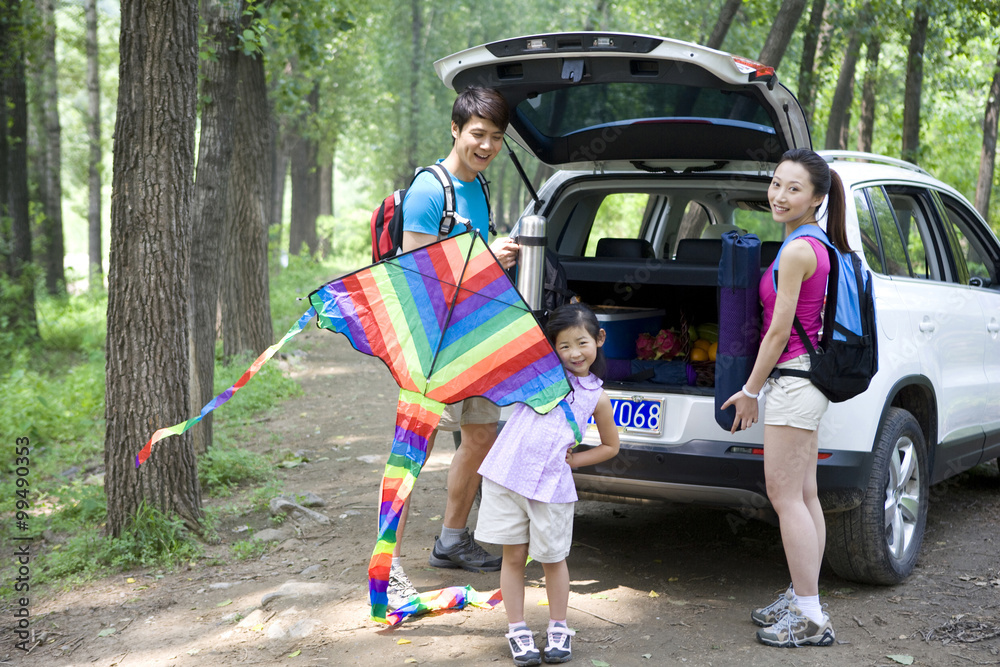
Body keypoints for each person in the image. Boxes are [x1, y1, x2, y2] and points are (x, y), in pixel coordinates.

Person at [386, 86, 520, 608]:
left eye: (496, 138)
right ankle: (389, 567)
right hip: (432, 343)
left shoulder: (480, 187)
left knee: (482, 435)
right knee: (411, 454)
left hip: (475, 335)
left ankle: (451, 540)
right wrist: (489, 258)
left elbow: (470, 261)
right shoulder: (429, 190)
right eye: (477, 135)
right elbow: (416, 277)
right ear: (456, 130)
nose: (486, 145)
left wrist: (492, 261)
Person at [721, 148, 847, 648]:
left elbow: (777, 334)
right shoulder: (813, 242)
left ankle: (812, 618)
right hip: (806, 382)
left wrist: (751, 390)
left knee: (784, 497)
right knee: (806, 495)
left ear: (816, 197)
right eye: (776, 183)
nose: (780, 195)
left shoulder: (798, 250)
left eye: (794, 188)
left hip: (793, 382)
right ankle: (802, 597)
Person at [475, 303, 621, 666]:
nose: (574, 353)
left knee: (553, 560)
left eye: (582, 342)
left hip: (552, 488)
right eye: (564, 346)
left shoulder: (596, 396)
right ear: (551, 349)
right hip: (507, 477)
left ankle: (558, 627)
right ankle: (517, 629)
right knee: (512, 557)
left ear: (599, 340)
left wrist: (574, 461)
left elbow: (610, 446)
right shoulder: (538, 376)